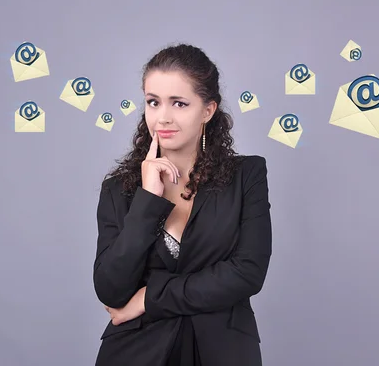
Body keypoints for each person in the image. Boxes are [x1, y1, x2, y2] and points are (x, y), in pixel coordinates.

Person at [92, 43, 272, 366]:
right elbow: (111, 290)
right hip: (135, 352)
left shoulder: (248, 176)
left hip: (224, 352)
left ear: (208, 110)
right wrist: (147, 200)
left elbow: (247, 273)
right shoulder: (118, 190)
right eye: (153, 102)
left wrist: (150, 297)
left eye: (179, 103)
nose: (163, 117)